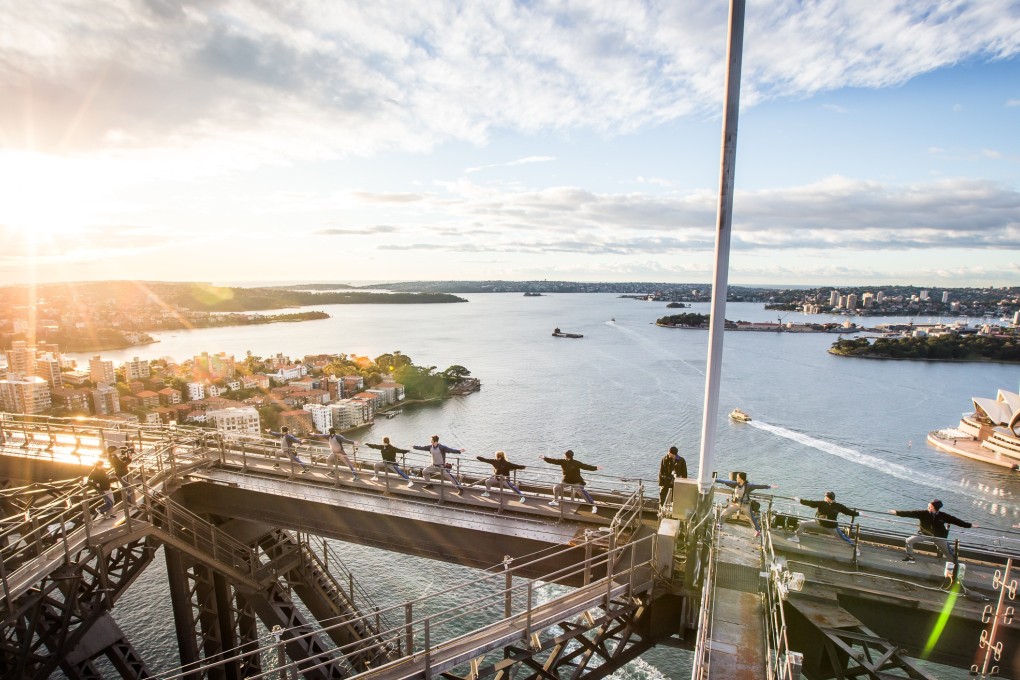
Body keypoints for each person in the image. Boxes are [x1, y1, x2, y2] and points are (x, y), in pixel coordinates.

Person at [889, 500, 975, 564]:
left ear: (935, 508)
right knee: (909, 540)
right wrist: (896, 512)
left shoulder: (943, 516)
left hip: (938, 537)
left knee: (948, 553)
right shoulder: (923, 513)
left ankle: (955, 565)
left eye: (930, 506)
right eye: (928, 506)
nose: (928, 507)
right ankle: (910, 557)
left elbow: (957, 521)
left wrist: (970, 525)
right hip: (924, 534)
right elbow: (910, 513)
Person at [790, 491, 860, 557]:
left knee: (842, 537)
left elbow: (848, 512)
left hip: (831, 527)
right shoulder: (823, 503)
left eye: (825, 497)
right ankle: (796, 537)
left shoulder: (838, 506)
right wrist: (798, 500)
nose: (824, 498)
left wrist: (859, 514)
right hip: (818, 523)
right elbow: (810, 503)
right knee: (802, 524)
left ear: (828, 498)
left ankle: (855, 548)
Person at [715, 472, 777, 537]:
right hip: (736, 504)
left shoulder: (749, 486)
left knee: (751, 518)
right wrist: (715, 479)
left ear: (741, 478)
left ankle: (758, 531)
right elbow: (725, 481)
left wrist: (769, 486)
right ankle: (719, 525)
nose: (736, 478)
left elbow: (759, 486)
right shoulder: (735, 484)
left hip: (745, 505)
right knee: (725, 512)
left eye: (738, 477)